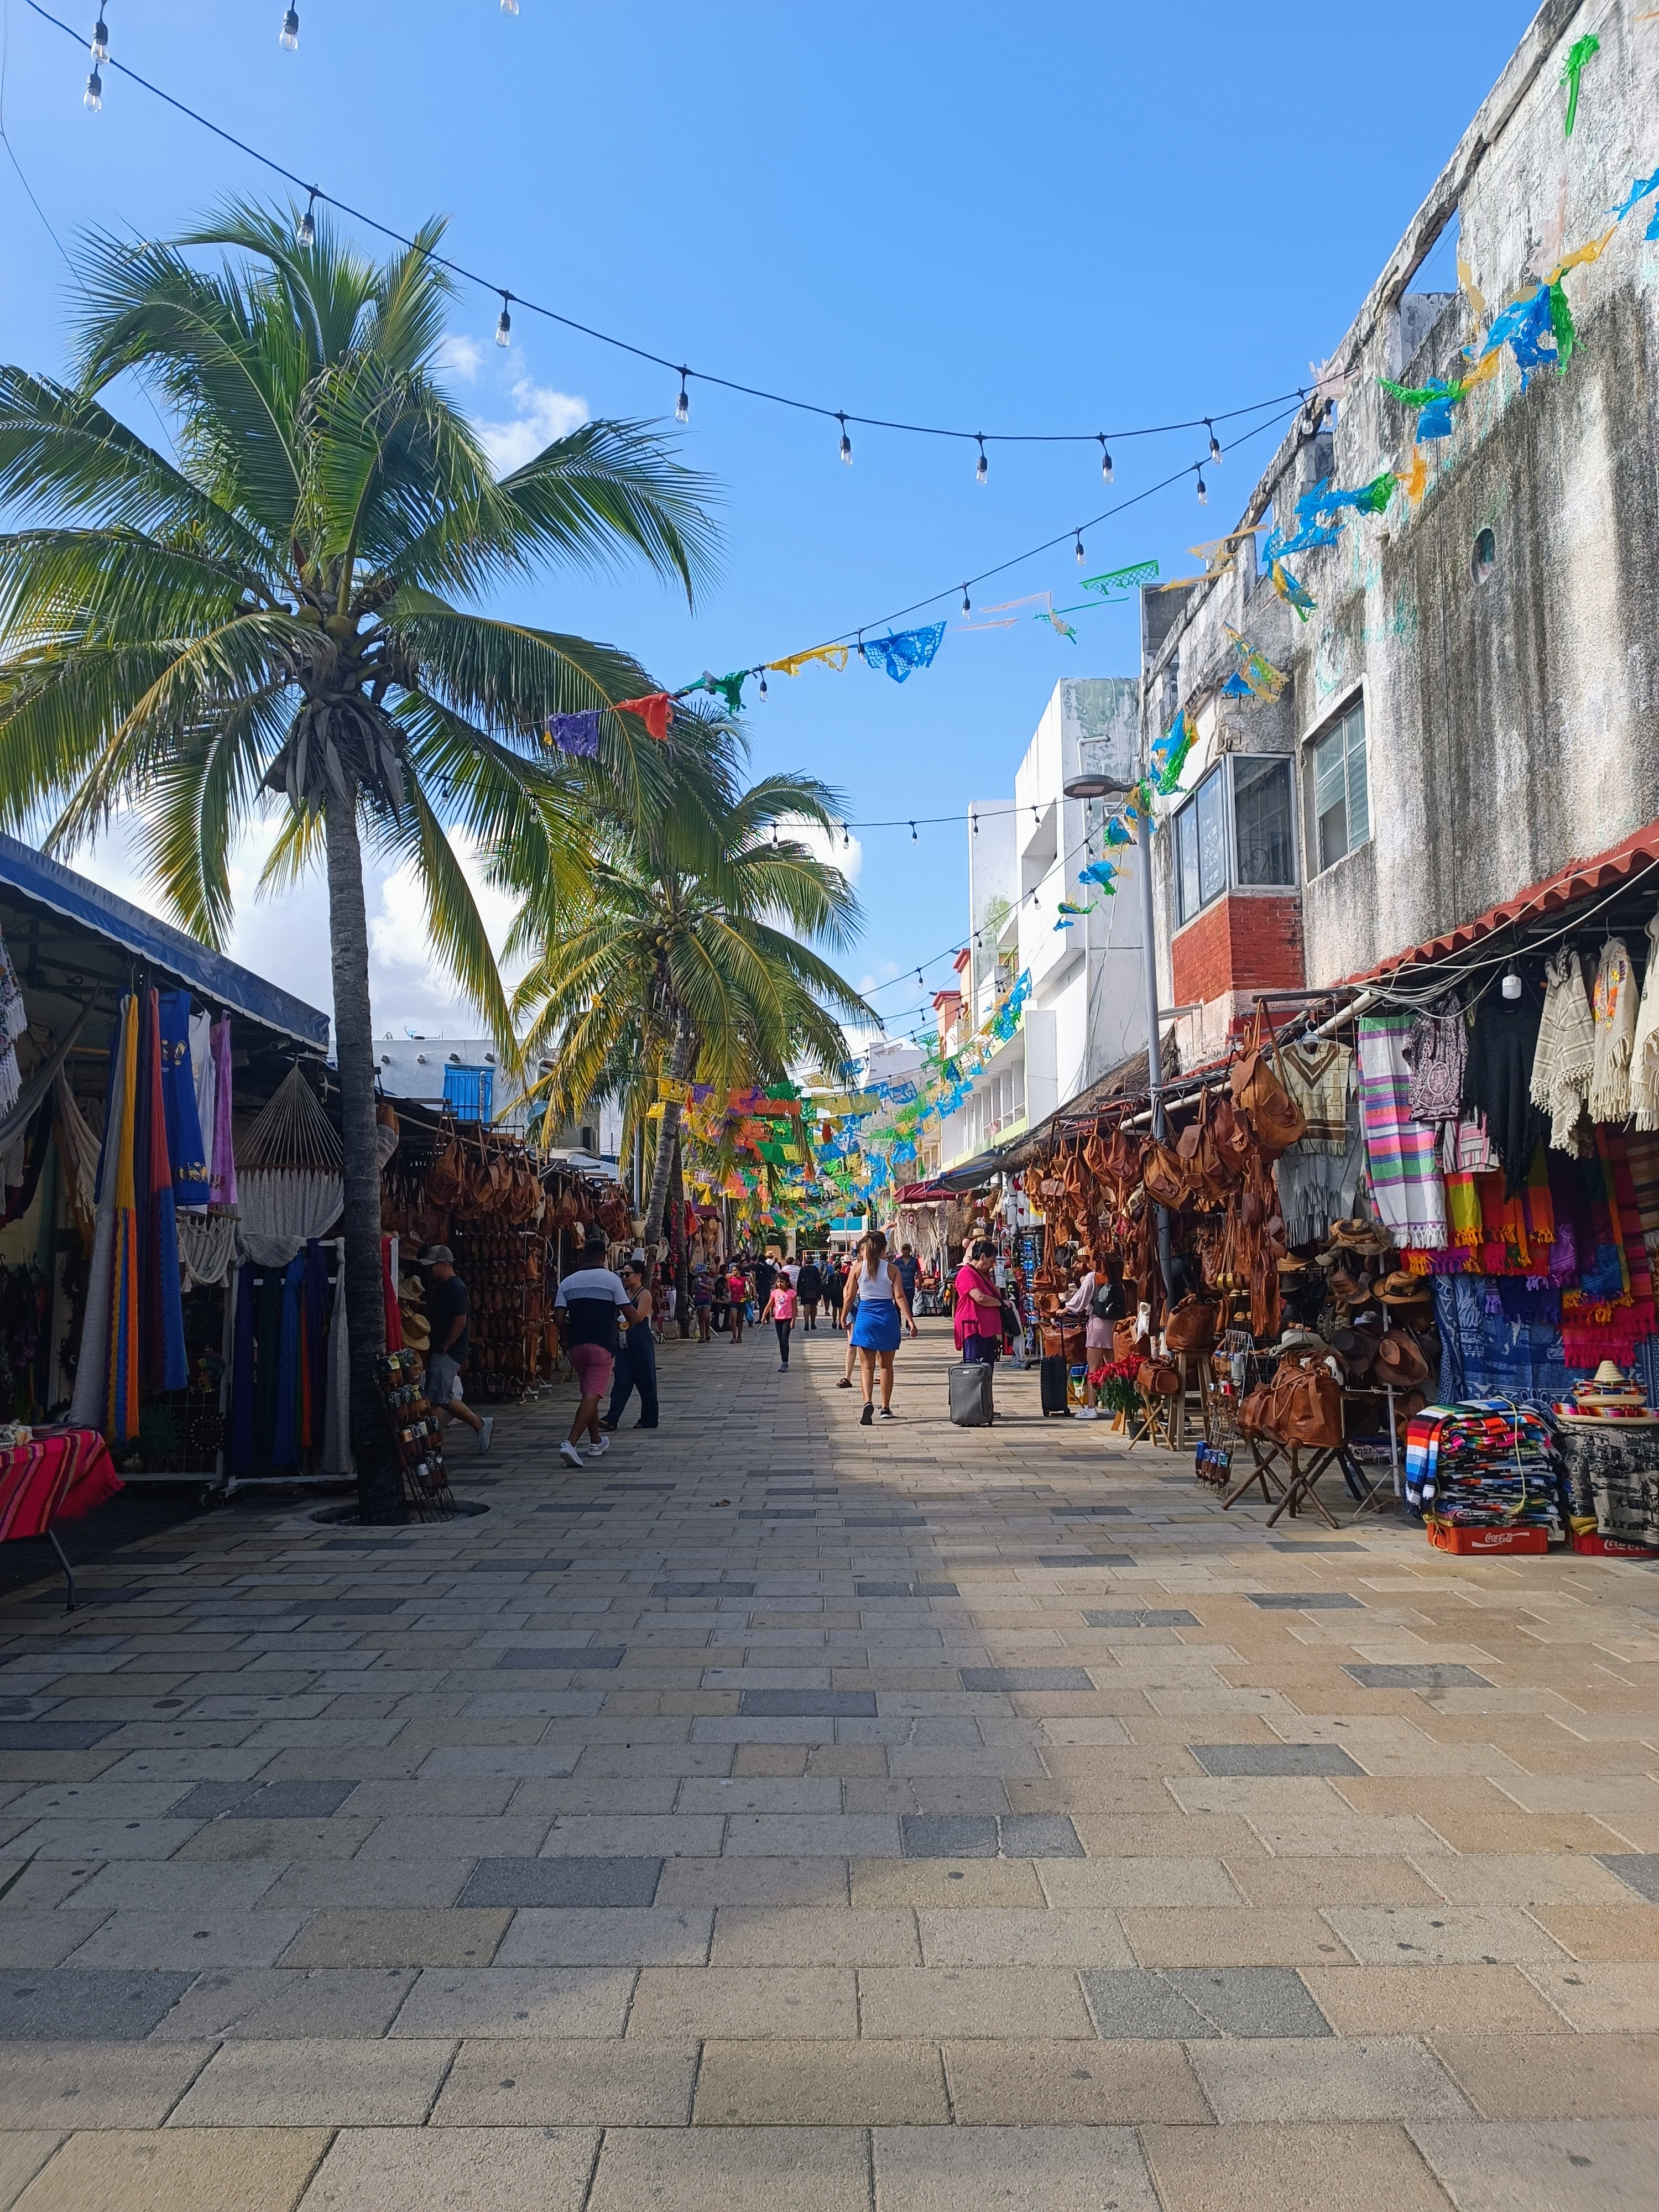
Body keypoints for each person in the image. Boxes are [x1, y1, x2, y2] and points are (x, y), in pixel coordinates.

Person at [554, 1228, 630, 1468]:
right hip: (601, 1345)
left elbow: (557, 1319)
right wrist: (636, 1318)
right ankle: (570, 1443)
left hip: (576, 1347)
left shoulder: (567, 1282)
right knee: (593, 1395)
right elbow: (629, 1312)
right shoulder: (612, 1280)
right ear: (604, 1255)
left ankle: (596, 1441)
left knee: (588, 1392)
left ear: (583, 1255)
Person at [417, 1245, 494, 1454]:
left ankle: (434, 1446)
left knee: (434, 1400)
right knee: (444, 1396)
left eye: (433, 1267)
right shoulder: (445, 1287)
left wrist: (445, 1347)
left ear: (445, 1264)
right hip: (446, 1350)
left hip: (448, 1352)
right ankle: (480, 1425)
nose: (430, 1271)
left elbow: (460, 1321)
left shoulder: (456, 1288)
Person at [843, 1227, 916, 1423]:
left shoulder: (857, 1268)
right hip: (887, 1317)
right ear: (884, 1249)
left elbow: (849, 1296)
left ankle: (867, 1401)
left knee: (866, 1367)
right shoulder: (893, 1269)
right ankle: (885, 1407)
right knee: (886, 1367)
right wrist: (910, 1320)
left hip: (865, 1317)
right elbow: (899, 1296)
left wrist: (842, 1317)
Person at [1065, 1251, 1125, 1419]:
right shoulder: (1117, 1278)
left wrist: (1065, 1308)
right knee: (1113, 1367)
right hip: (1113, 1326)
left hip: (1097, 1324)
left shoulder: (1094, 1277)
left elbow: (1081, 1299)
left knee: (1093, 1368)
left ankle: (1091, 1408)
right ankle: (1115, 1404)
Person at [602, 1258, 659, 1431]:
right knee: (621, 1381)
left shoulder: (644, 1294)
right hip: (624, 1342)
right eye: (623, 1274)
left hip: (640, 1341)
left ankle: (649, 1418)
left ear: (638, 1275)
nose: (624, 1277)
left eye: (628, 1274)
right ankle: (612, 1418)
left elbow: (639, 1317)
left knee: (646, 1381)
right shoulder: (624, 1295)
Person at [953, 1238, 1004, 1366]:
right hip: (973, 1327)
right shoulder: (966, 1273)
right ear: (982, 1257)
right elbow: (980, 1298)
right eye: (991, 1261)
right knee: (975, 1368)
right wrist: (1000, 1303)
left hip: (986, 1328)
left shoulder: (984, 1275)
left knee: (986, 1367)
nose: (992, 1266)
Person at [761, 1269, 799, 1369]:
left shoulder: (792, 1293)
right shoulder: (775, 1292)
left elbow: (795, 1308)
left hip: (788, 1318)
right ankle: (783, 1361)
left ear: (786, 1282)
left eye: (782, 1282)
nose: (780, 1284)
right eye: (778, 1282)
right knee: (781, 1340)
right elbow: (769, 1305)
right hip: (778, 1319)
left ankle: (785, 1362)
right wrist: (764, 1316)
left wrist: (794, 1320)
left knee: (784, 1339)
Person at [796, 1253, 824, 1330]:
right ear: (812, 1261)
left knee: (806, 1306)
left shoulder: (803, 1269)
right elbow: (819, 1281)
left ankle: (806, 1323)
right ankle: (813, 1324)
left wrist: (798, 1291)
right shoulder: (815, 1269)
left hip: (804, 1290)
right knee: (813, 1307)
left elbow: (799, 1281)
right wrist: (819, 1293)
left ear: (805, 1261)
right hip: (814, 1289)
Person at [724, 1256, 748, 1343]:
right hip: (734, 1300)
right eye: (733, 1271)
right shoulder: (731, 1279)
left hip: (742, 1300)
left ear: (740, 1271)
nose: (734, 1272)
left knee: (740, 1320)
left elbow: (748, 1290)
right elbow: (727, 1290)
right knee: (733, 1318)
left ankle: (739, 1336)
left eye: (735, 1271)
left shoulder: (745, 1279)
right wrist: (728, 1281)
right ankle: (734, 1337)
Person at [691, 1257, 714, 1344]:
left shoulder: (709, 1280)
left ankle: (707, 1332)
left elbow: (712, 1288)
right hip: (699, 1299)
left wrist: (704, 1286)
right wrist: (699, 1291)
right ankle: (702, 1336)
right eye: (699, 1273)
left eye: (702, 1273)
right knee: (700, 1318)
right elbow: (692, 1291)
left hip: (707, 1299)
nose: (700, 1274)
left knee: (706, 1317)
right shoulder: (695, 1281)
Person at [895, 1242, 922, 1310]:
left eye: (908, 1250)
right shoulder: (897, 1261)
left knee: (909, 1305)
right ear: (902, 1251)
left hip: (910, 1286)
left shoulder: (915, 1261)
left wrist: (920, 1283)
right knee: (897, 1306)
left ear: (910, 1251)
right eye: (905, 1250)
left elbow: (919, 1272)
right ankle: (899, 1321)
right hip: (899, 1287)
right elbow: (894, 1273)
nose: (906, 1251)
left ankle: (908, 1320)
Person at [709, 1254, 729, 1338]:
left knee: (729, 1306)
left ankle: (726, 1324)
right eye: (723, 1286)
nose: (724, 1288)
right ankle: (716, 1325)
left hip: (718, 1302)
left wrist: (727, 1302)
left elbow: (722, 1297)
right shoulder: (714, 1288)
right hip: (711, 1304)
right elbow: (714, 1300)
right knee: (717, 1307)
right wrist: (724, 1302)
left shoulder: (720, 1289)